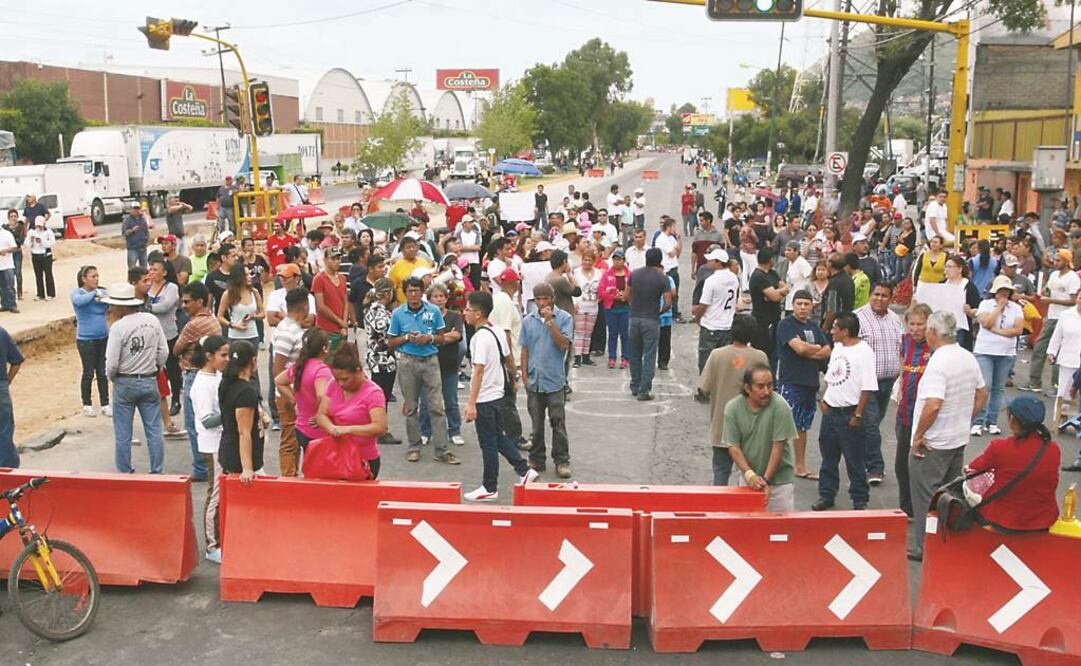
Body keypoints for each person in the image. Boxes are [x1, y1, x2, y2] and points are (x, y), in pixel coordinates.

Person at [908, 311, 988, 560]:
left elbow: (933, 404)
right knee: (950, 494)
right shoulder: (967, 356)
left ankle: (924, 545)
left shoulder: (938, 362)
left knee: (925, 495)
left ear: (932, 332)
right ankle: (947, 542)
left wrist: (918, 435)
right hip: (957, 437)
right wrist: (965, 417)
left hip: (934, 442)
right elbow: (982, 394)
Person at [462, 291, 540, 501]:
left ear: (478, 313)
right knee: (497, 436)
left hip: (485, 397)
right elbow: (509, 358)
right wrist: (514, 378)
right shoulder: (496, 330)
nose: (465, 313)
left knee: (488, 442)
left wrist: (471, 403)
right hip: (498, 394)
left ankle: (490, 486)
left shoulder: (479, 338)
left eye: (468, 309)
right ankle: (524, 469)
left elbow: (478, 370)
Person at [389, 276, 460, 465]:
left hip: (430, 360)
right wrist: (407, 337)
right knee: (411, 407)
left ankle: (442, 449)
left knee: (436, 406)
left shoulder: (433, 311)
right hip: (407, 361)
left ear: (422, 292)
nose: (413, 294)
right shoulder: (398, 314)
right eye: (410, 291)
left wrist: (429, 338)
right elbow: (391, 341)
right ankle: (414, 446)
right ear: (405, 293)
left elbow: (442, 337)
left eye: (417, 290)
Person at [814, 312, 878, 511]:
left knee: (854, 459)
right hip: (831, 411)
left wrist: (858, 414)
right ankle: (826, 494)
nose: (832, 331)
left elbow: (867, 386)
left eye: (835, 328)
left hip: (849, 412)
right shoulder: (838, 348)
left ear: (845, 331)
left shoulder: (864, 352)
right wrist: (824, 398)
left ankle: (859, 498)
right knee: (828, 458)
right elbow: (831, 375)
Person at [104, 282, 168, 474]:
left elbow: (112, 362)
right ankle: (156, 470)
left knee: (123, 432)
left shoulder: (118, 327)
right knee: (154, 430)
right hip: (148, 378)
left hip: (125, 380)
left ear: (121, 306)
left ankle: (125, 471)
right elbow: (163, 351)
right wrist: (155, 368)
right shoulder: (151, 320)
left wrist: (113, 377)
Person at [700, 314, 769, 485]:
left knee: (721, 471)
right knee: (750, 473)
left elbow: (704, 387)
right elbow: (767, 389)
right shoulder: (760, 357)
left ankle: (719, 501)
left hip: (722, 425)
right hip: (751, 426)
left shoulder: (717, 355)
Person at [722, 363, 798, 511]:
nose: (767, 391)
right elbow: (734, 446)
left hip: (779, 484)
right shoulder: (733, 408)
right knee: (747, 523)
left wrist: (765, 480)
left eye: (770, 385)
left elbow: (778, 447)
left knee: (779, 524)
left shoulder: (780, 406)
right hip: (749, 480)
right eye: (760, 386)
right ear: (747, 388)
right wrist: (750, 475)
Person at [775, 290, 832, 480]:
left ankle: (800, 466)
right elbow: (798, 348)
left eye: (806, 304)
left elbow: (827, 350)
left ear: (812, 306)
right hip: (791, 381)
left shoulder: (813, 326)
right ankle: (776, 464)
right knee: (783, 424)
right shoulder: (786, 324)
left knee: (802, 426)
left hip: (810, 382)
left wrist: (809, 351)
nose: (802, 308)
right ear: (792, 305)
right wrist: (814, 349)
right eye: (799, 304)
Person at [520, 283, 574, 478]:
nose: (542, 303)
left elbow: (564, 344)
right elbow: (525, 349)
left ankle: (562, 460)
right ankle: (536, 458)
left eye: (545, 298)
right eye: (538, 299)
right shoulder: (528, 320)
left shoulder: (565, 318)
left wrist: (550, 323)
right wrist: (524, 375)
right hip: (535, 379)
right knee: (536, 423)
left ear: (553, 299)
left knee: (557, 422)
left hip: (554, 380)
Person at [855, 282, 904, 486]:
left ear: (890, 298)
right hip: (867, 384)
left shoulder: (895, 319)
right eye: (876, 294)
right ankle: (875, 467)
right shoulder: (858, 318)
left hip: (888, 381)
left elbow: (901, 348)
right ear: (870, 295)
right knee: (871, 425)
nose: (879, 299)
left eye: (884, 296)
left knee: (872, 424)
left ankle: (857, 455)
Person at [315, 344, 388, 478]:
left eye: (345, 379)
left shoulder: (373, 393)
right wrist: (331, 428)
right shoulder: (333, 384)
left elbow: (380, 427)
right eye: (337, 379)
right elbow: (321, 414)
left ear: (358, 371)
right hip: (336, 456)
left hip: (363, 459)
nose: (341, 384)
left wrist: (348, 429)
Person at [174, 281, 221, 482]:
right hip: (210, 374)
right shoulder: (213, 320)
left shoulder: (193, 325)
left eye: (187, 302)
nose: (183, 306)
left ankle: (201, 468)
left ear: (200, 301)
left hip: (194, 374)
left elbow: (176, 349)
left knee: (195, 424)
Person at [188, 335, 228, 563]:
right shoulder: (202, 384)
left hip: (221, 443)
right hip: (211, 445)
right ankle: (212, 546)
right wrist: (231, 411)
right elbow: (206, 420)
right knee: (215, 495)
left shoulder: (216, 376)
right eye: (223, 355)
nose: (227, 359)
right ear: (209, 356)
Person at [972, 275, 1024, 436]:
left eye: (1007, 291)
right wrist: (999, 307)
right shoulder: (985, 304)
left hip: (1006, 353)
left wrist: (997, 331)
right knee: (985, 386)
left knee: (998, 389)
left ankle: (992, 421)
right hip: (985, 351)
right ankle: (978, 421)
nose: (1004, 294)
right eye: (1001, 290)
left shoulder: (1016, 308)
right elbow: (986, 322)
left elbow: (1018, 330)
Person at [1023, 248, 1081, 393]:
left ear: (1067, 262)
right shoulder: (1054, 275)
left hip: (1066, 318)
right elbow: (1048, 290)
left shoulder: (1073, 278)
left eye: (1058, 260)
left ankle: (1056, 385)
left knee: (1059, 352)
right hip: (1051, 317)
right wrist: (1045, 293)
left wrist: (1051, 301)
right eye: (1055, 260)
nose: (1055, 262)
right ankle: (1034, 381)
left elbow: (1073, 301)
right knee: (1040, 347)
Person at [894, 303, 933, 517]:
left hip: (925, 417)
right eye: (912, 324)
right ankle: (906, 508)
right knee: (901, 465)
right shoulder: (905, 340)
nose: (916, 329)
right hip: (904, 413)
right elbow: (903, 368)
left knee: (923, 467)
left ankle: (926, 509)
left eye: (920, 324)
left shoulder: (934, 346)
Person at [271, 287, 312, 476]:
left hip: (294, 392)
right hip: (288, 395)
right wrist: (291, 398)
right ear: (305, 307)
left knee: (296, 440)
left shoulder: (292, 328)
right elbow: (278, 369)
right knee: (289, 441)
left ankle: (292, 476)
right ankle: (288, 479)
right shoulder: (288, 331)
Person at [418, 284, 465, 447]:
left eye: (442, 296)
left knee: (451, 401)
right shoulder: (424, 316)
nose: (439, 299)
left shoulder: (454, 316)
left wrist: (434, 338)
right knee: (425, 403)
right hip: (427, 365)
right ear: (429, 299)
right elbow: (421, 336)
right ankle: (425, 432)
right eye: (435, 296)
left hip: (449, 366)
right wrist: (444, 337)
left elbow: (457, 335)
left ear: (446, 298)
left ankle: (455, 431)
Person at [218, 339, 265, 490]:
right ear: (253, 360)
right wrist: (247, 468)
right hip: (240, 461)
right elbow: (244, 432)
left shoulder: (228, 383)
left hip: (230, 452)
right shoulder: (246, 391)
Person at [275, 328, 332, 454]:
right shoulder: (322, 370)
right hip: (318, 431)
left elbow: (279, 381)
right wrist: (321, 415)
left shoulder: (299, 366)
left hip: (301, 426)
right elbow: (322, 396)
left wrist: (294, 400)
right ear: (325, 348)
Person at [627, 248, 672, 401]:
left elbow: (626, 294)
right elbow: (668, 303)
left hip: (634, 317)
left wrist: (633, 306)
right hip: (651, 319)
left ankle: (635, 384)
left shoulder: (635, 274)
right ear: (660, 261)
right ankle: (644, 390)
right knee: (649, 355)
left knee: (635, 353)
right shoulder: (662, 278)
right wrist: (658, 312)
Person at [489, 268, 527, 448]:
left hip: (500, 355)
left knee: (503, 397)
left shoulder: (499, 299)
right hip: (506, 356)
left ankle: (503, 433)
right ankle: (514, 437)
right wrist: (510, 361)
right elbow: (505, 333)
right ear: (515, 283)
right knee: (508, 398)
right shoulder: (504, 302)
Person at [363, 279, 403, 445]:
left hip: (383, 357)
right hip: (381, 358)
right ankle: (380, 429)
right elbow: (383, 329)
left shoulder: (377, 309)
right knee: (381, 396)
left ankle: (380, 427)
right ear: (387, 293)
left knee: (383, 395)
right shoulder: (377, 311)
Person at [71, 265, 110, 417]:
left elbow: (107, 304)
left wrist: (100, 295)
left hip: (103, 337)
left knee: (102, 372)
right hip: (86, 339)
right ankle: (87, 404)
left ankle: (105, 403)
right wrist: (94, 294)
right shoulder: (77, 293)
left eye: (97, 276)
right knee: (88, 372)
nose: (96, 279)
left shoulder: (102, 291)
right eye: (93, 276)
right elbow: (80, 302)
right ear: (84, 279)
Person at [147, 255, 183, 416]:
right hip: (150, 335)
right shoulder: (148, 286)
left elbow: (166, 306)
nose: (152, 272)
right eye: (151, 269)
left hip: (168, 334)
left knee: (173, 368)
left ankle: (175, 399)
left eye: (155, 269)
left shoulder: (171, 287)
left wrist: (147, 308)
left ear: (165, 272)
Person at [748, 248, 787, 362]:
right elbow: (775, 297)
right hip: (762, 322)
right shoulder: (758, 276)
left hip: (775, 319)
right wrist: (776, 294)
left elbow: (785, 288)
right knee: (762, 353)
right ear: (770, 259)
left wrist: (775, 293)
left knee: (774, 352)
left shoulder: (772, 273)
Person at [599, 249, 632, 368]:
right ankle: (612, 358)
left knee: (625, 335)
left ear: (623, 260)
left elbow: (634, 290)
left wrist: (626, 296)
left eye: (619, 259)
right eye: (615, 259)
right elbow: (601, 292)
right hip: (611, 308)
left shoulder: (630, 275)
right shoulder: (607, 275)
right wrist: (615, 296)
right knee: (612, 334)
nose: (617, 262)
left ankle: (625, 358)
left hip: (626, 308)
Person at [217, 262, 264, 344]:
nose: (250, 277)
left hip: (253, 336)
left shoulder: (254, 292)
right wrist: (233, 325)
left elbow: (263, 314)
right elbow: (220, 316)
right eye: (246, 275)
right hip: (234, 337)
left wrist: (253, 317)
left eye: (250, 274)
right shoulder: (228, 294)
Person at [572, 250, 602, 367]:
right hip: (580, 305)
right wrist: (574, 302)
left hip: (593, 306)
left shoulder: (599, 273)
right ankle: (577, 357)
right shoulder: (576, 272)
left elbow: (602, 288)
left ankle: (586, 356)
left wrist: (600, 297)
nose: (587, 262)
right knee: (579, 332)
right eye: (585, 259)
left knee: (588, 333)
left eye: (590, 260)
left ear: (593, 261)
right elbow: (573, 288)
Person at [0, 326, 23, 468]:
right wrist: (6, 382)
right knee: (4, 432)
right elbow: (17, 360)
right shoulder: (1, 333)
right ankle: (7, 472)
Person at [654, 218, 682, 321]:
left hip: (674, 267)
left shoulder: (671, 238)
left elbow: (678, 252)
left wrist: (679, 240)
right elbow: (672, 253)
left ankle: (675, 311)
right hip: (667, 269)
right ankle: (668, 311)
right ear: (669, 227)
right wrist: (676, 248)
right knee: (668, 292)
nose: (675, 229)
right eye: (674, 227)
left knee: (675, 292)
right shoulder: (662, 239)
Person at [821, 253, 854, 333]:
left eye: (827, 260)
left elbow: (832, 309)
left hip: (835, 326)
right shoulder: (848, 279)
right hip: (848, 323)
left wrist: (824, 328)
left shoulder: (834, 283)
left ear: (830, 264)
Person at [25, 216, 55, 300]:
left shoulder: (48, 232)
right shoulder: (31, 232)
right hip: (35, 255)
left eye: (40, 225)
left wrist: (42, 241)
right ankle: (40, 294)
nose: (39, 227)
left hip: (46, 255)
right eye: (37, 225)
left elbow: (51, 243)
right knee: (38, 275)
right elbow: (26, 244)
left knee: (48, 274)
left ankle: (50, 293)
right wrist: (31, 240)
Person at [122, 203, 150, 270]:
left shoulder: (142, 219)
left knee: (144, 267)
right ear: (131, 209)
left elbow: (146, 231)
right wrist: (132, 230)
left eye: (137, 208)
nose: (136, 210)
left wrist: (147, 240)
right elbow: (124, 233)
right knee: (132, 267)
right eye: (134, 208)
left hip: (142, 248)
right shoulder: (127, 220)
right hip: (133, 248)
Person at [0, 212, 18, 312]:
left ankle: (12, 305)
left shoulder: (7, 234)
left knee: (9, 286)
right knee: (1, 287)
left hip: (7, 265)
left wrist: (6, 251)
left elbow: (14, 247)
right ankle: (4, 304)